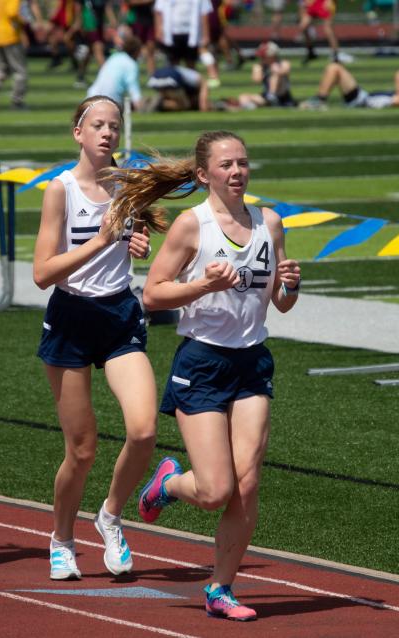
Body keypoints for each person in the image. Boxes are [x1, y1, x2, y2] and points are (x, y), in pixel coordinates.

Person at [112, 130, 300, 621]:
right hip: (203, 363)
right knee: (215, 490)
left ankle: (221, 588)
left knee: (248, 482)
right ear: (203, 175)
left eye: (242, 163)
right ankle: (169, 483)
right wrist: (201, 285)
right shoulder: (191, 227)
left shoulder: (269, 223)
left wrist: (291, 286)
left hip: (253, 360)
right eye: (226, 165)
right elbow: (152, 295)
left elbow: (279, 302)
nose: (237, 172)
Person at [32, 95, 164, 580]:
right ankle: (61, 539)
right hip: (70, 317)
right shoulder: (59, 191)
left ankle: (110, 514)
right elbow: (42, 273)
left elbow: (135, 241)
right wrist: (101, 241)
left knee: (144, 430)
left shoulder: (129, 187)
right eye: (98, 125)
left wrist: (136, 243)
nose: (107, 133)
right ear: (78, 133)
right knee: (82, 449)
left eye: (114, 126)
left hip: (119, 315)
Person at [0, 0, 39, 110]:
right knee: (20, 70)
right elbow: (12, 12)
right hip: (11, 35)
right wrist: (24, 23)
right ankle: (17, 101)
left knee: (2, 68)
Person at [300, 62, 399, 109]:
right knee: (334, 68)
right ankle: (319, 99)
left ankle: (320, 100)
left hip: (360, 100)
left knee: (335, 68)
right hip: (361, 96)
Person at [234, 40, 296, 109]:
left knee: (275, 75)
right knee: (243, 97)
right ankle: (253, 106)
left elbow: (285, 71)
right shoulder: (260, 66)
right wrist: (259, 71)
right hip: (266, 96)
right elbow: (256, 80)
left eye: (264, 56)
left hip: (283, 95)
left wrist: (276, 70)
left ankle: (272, 97)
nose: (261, 58)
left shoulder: (283, 63)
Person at [86, 34, 143, 109]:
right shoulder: (131, 64)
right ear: (136, 51)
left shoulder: (114, 57)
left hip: (91, 96)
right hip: (111, 101)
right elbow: (133, 88)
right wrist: (140, 104)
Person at [143, 63, 211, 111]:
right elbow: (204, 83)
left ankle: (152, 101)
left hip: (155, 78)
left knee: (169, 97)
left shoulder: (183, 71)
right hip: (170, 79)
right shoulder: (196, 77)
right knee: (185, 105)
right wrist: (203, 103)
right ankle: (161, 104)